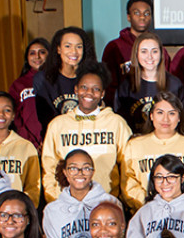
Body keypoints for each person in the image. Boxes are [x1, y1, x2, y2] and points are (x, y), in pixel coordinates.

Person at [40, 66, 132, 202]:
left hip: (106, 203)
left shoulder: (116, 123)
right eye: (84, 87)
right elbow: (49, 167)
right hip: (67, 203)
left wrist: (123, 201)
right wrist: (55, 200)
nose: (89, 93)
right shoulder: (58, 125)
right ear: (76, 90)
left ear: (102, 93)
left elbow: (128, 167)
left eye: (96, 89)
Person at [119, 91, 184, 212]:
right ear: (151, 115)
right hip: (145, 211)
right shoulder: (134, 145)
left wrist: (180, 202)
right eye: (160, 113)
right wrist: (149, 204)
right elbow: (128, 183)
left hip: (183, 211)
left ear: (179, 117)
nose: (166, 119)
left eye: (172, 113)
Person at [41, 149, 117, 238]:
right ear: (65, 172)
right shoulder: (52, 210)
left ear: (93, 172)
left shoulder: (110, 202)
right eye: (73, 168)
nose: (80, 173)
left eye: (86, 168)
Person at [114, 32, 184, 136]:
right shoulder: (126, 86)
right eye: (144, 52)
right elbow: (120, 125)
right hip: (136, 145)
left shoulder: (175, 85)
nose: (150, 57)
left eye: (154, 51)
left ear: (161, 54)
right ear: (136, 54)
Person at [125, 155, 184, 238]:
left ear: (182, 178)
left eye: (171, 177)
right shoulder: (145, 211)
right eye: (159, 177)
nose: (165, 183)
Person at [100, 0, 169, 91]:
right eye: (137, 13)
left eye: (147, 14)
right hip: (125, 102)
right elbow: (108, 84)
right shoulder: (114, 47)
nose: (142, 17)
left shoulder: (159, 49)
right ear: (129, 17)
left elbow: (167, 81)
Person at [33, 27, 93, 131]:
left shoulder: (92, 78)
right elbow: (44, 118)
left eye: (79, 47)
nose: (73, 51)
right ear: (59, 49)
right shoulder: (43, 79)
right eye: (68, 46)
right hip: (56, 136)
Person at [9, 37, 49, 147]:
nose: (37, 56)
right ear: (27, 58)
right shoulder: (19, 84)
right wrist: (30, 142)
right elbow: (15, 116)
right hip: (27, 143)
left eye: (42, 52)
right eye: (32, 53)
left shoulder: (57, 81)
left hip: (53, 141)